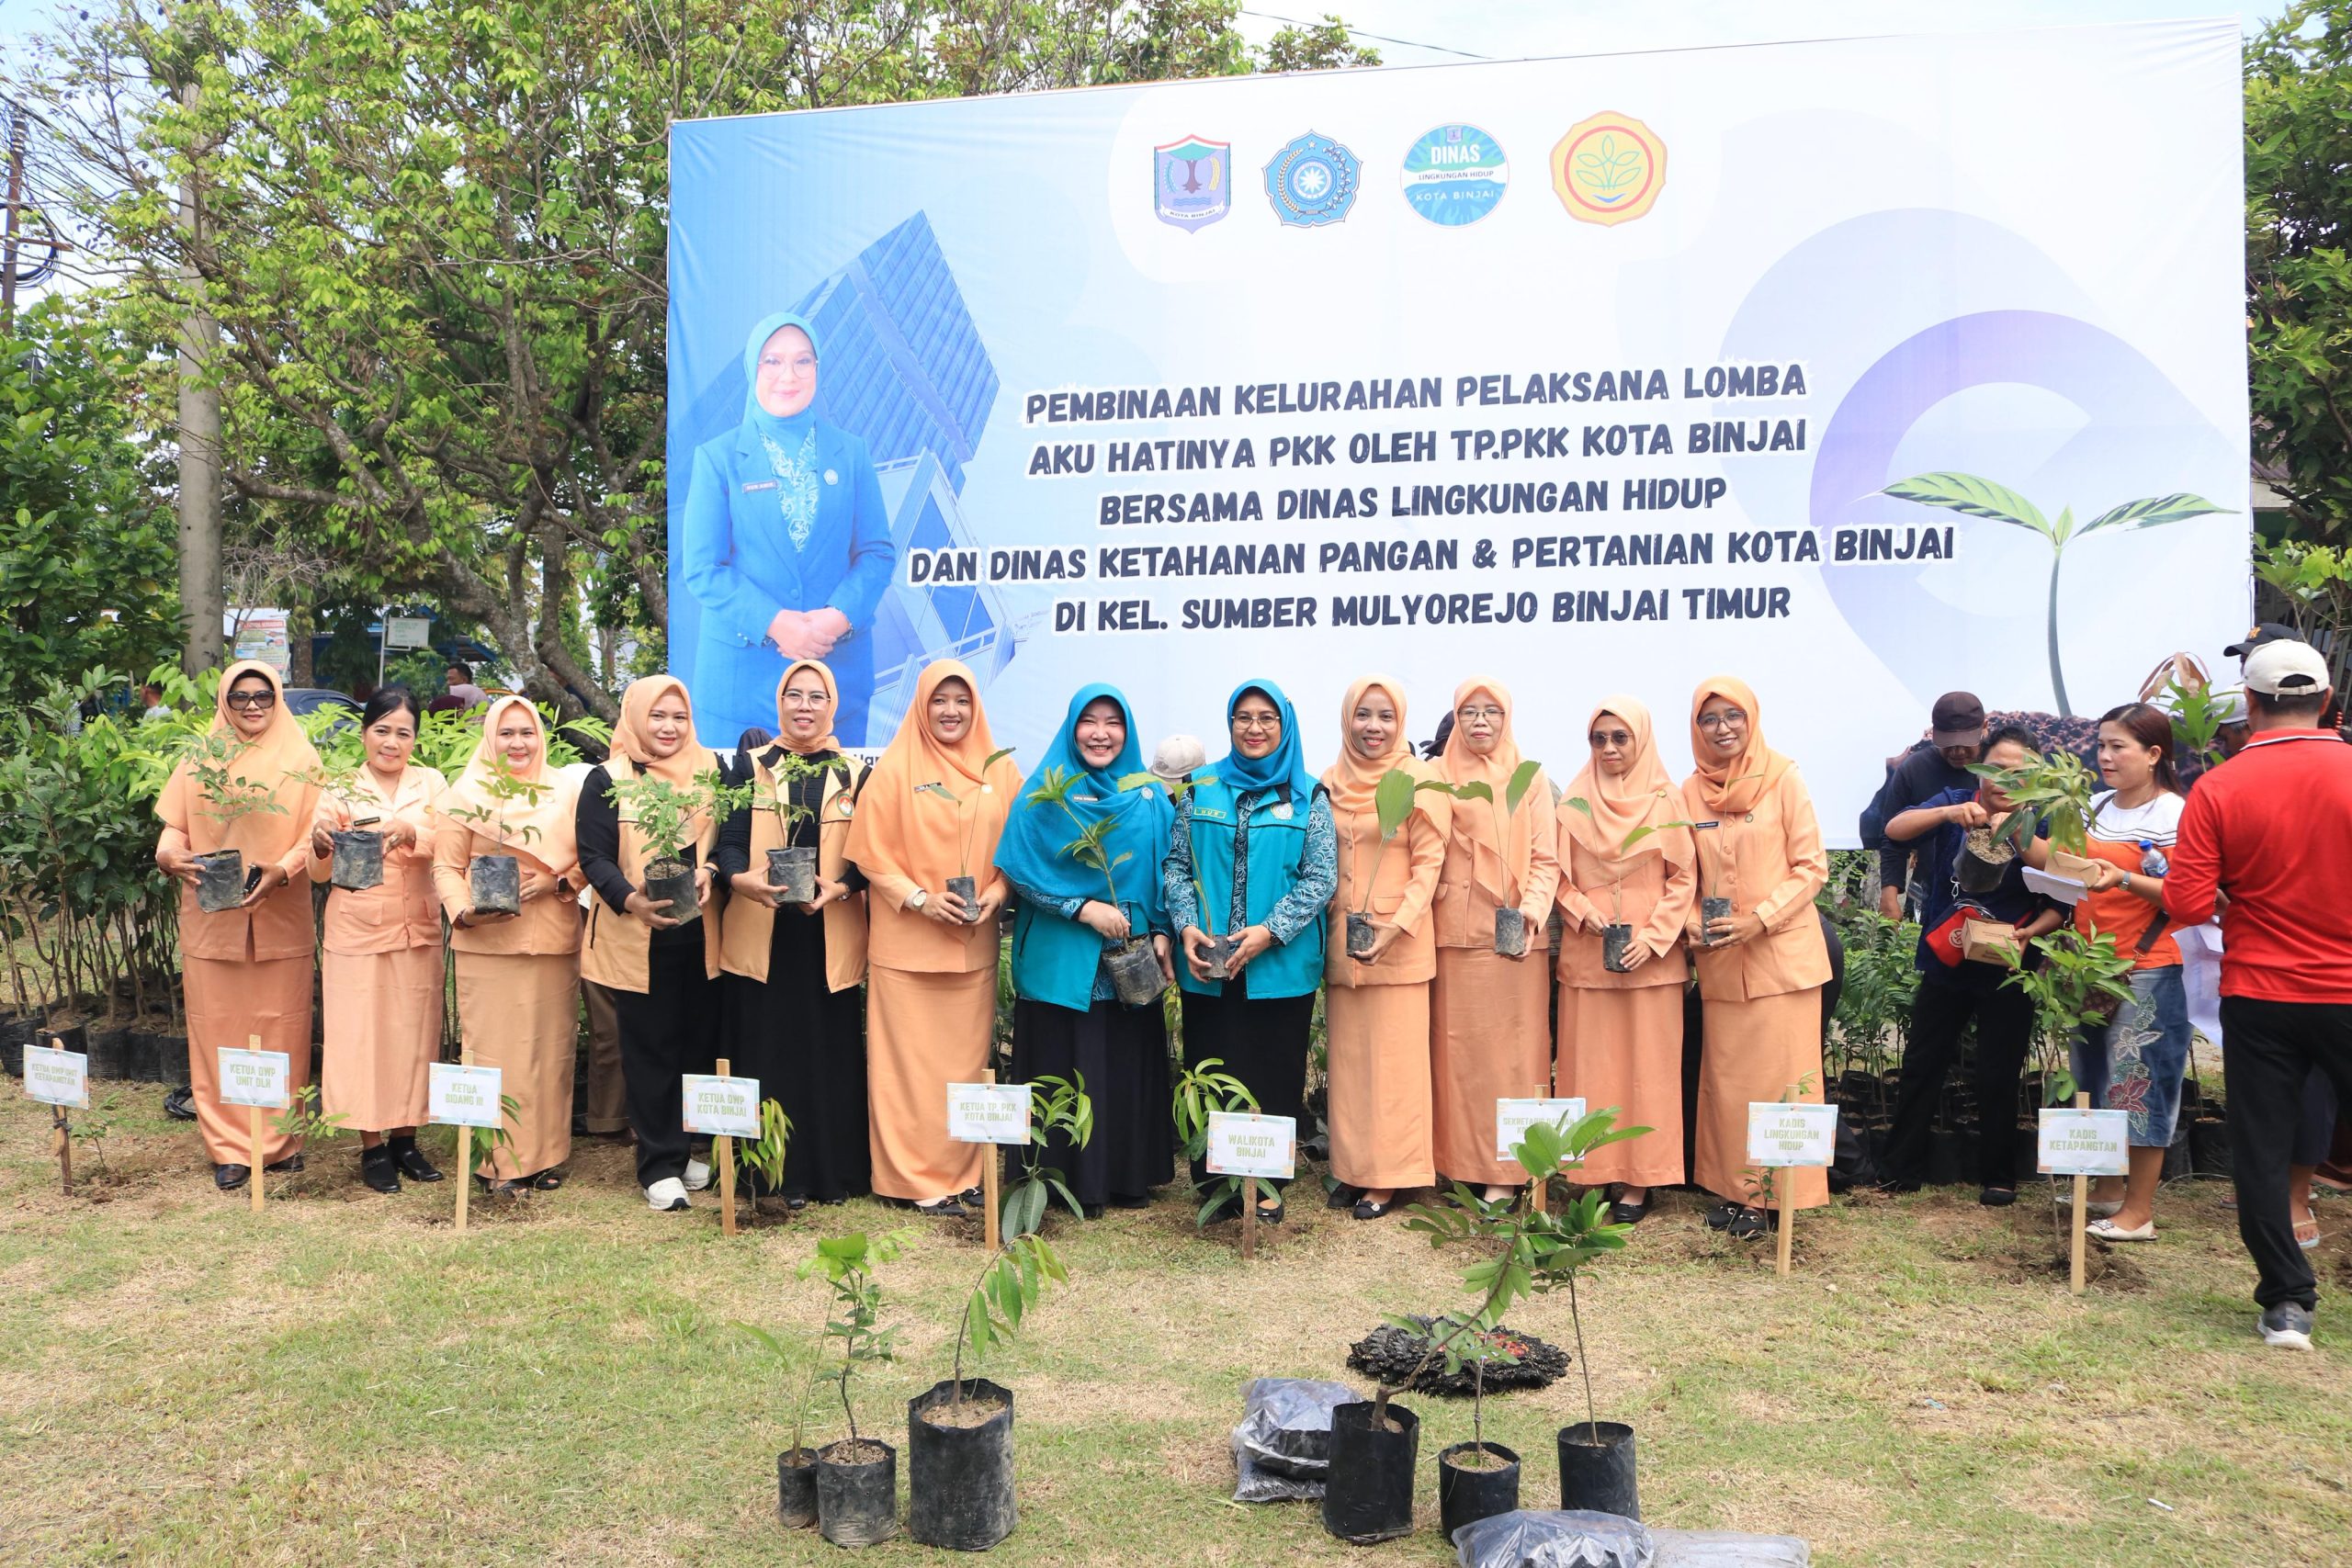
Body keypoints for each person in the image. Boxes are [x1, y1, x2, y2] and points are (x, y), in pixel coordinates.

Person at [2164, 639, 2352, 1349]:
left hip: (2261, 990)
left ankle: (2287, 1302)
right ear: (2326, 701)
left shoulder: (2220, 786)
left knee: (2263, 1148)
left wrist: (2240, 891)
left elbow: (2185, 903)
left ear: (2249, 704)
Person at [844, 660, 1019, 1215]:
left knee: (964, 1068)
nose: (951, 711)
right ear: (921, 706)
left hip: (972, 947)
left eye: (962, 701)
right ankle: (910, 1180)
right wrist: (920, 899)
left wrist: (999, 892)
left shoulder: (1000, 772)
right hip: (906, 950)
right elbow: (869, 855)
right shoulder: (893, 770)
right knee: (906, 1073)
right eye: (939, 700)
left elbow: (1019, 849)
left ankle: (964, 1175)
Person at [999, 685, 1178, 1213]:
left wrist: (1163, 928)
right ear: (1071, 728)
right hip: (1062, 957)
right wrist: (1081, 907)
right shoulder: (1042, 795)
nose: (1101, 734)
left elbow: (1169, 867)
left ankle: (1125, 1177)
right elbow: (1020, 868)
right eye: (1089, 721)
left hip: (1131, 956)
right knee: (1066, 1056)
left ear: (1128, 732)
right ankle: (1060, 1178)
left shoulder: (1148, 795)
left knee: (1121, 1058)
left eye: (1113, 723)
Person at [682, 311, 896, 746]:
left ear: (817, 369)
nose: (788, 375)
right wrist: (776, 623)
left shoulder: (852, 453)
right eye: (773, 361)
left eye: (802, 361)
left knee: (834, 794)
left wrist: (836, 619)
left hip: (836, 683)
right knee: (740, 794)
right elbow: (704, 569)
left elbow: (877, 553)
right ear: (752, 368)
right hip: (740, 690)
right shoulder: (717, 458)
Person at [1166, 680, 1336, 1223]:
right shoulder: (1199, 789)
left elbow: (1320, 878)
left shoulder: (1309, 795)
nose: (1255, 728)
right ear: (1230, 723)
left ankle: (1264, 1186)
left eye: (1267, 718)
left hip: (1279, 967)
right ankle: (1214, 1183)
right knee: (1213, 1068)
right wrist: (1187, 925)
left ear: (1284, 726)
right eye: (1244, 717)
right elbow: (1176, 866)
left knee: (1272, 1072)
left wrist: (1269, 931)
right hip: (1208, 964)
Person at [153, 661, 323, 1190]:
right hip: (214, 915)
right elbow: (174, 829)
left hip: (281, 914)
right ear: (225, 701)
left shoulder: (303, 759)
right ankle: (229, 1147)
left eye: (263, 695)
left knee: (284, 1028)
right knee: (217, 1030)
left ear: (278, 699)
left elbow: (316, 834)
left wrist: (284, 869)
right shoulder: (200, 758)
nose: (252, 705)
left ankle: (282, 1142)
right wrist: (168, 856)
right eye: (241, 696)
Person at [2024, 702, 2188, 1242]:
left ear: (2154, 754)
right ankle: (2106, 1188)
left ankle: (2139, 1211)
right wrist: (2013, 826)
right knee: (2092, 1078)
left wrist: (2123, 878)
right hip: (2087, 964)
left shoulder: (2173, 815)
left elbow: (2189, 896)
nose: (2105, 756)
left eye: (2119, 746)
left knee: (2139, 1084)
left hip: (2147, 966)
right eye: (2101, 745)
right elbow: (2064, 866)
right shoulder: (2092, 806)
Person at [1878, 726, 2064, 1204]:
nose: (2004, 780)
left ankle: (1998, 1175)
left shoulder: (2041, 819)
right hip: (1948, 954)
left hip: (2011, 964)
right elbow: (1894, 828)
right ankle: (1900, 1169)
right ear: (1980, 766)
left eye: (2019, 773)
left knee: (1998, 1072)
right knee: (1922, 1063)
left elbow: (2061, 889)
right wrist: (1948, 813)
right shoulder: (1957, 801)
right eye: (1996, 768)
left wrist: (2029, 932)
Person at [1680, 678, 1832, 1236]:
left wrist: (1760, 919)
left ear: (1752, 719)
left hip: (1781, 957)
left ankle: (1776, 1195)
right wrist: (1691, 921)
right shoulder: (1688, 793)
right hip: (1722, 960)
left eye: (1733, 716)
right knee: (1728, 1082)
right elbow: (1682, 874)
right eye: (1709, 719)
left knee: (1781, 1082)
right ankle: (1733, 1189)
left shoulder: (1784, 777)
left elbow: (1811, 867)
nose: (1722, 728)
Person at [718, 660, 872, 1207]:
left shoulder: (856, 774)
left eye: (816, 696)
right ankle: (767, 1175)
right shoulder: (749, 766)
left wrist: (843, 887)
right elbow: (728, 841)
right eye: (794, 695)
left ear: (832, 706)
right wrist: (739, 880)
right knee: (767, 1050)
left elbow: (870, 857)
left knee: (826, 1052)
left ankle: (831, 1173)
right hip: (762, 932)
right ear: (779, 702)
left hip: (827, 933)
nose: (805, 707)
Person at [576, 677, 725, 1213]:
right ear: (636, 717)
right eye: (657, 716)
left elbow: (731, 838)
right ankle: (658, 1164)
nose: (669, 727)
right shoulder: (608, 779)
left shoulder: (712, 771)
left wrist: (710, 869)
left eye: (679, 717)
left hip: (703, 934)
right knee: (650, 1048)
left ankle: (685, 1150)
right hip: (637, 936)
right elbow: (593, 856)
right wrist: (629, 900)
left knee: (697, 1045)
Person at [431, 697, 586, 1197]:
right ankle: (496, 1162)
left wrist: (557, 881)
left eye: (527, 733)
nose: (518, 744)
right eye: (506, 733)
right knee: (494, 1053)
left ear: (540, 737)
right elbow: (446, 866)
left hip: (552, 939)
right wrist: (465, 911)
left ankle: (544, 1155)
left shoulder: (566, 790)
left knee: (548, 1051)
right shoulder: (465, 793)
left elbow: (591, 856)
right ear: (490, 737)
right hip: (488, 944)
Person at [1555, 697, 1695, 1224]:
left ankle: (1640, 1179)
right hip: (1589, 954)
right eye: (1599, 739)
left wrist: (1655, 938)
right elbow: (1557, 875)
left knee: (1647, 1072)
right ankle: (1590, 1173)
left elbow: (1685, 878)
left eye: (1620, 737)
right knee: (1588, 1069)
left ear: (1642, 739)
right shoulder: (1574, 801)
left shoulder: (1665, 799)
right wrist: (1583, 910)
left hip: (1650, 960)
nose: (1609, 748)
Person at [308, 688, 448, 1194]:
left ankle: (406, 1140)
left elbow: (453, 845)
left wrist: (412, 832)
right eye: (382, 730)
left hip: (417, 929)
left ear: (415, 739)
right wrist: (320, 841)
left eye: (403, 733)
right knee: (361, 1036)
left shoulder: (432, 783)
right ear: (365, 733)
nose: (392, 742)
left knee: (414, 1033)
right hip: (358, 930)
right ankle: (371, 1145)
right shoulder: (340, 787)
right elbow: (318, 870)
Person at [1321, 675, 1451, 1220]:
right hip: (1343, 943)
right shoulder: (1329, 781)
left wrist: (1396, 926)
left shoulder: (1418, 780)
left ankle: (1390, 1177)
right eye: (1363, 715)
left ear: (1401, 723)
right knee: (1351, 1065)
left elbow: (1429, 863)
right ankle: (1353, 1168)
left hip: (1399, 944)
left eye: (1386, 716)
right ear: (1347, 719)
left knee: (1395, 1067)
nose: (1373, 727)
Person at [1430, 678, 1560, 1204]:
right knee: (1457, 1057)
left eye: (1492, 712)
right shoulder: (1435, 776)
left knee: (1514, 1059)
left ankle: (1507, 1172)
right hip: (1453, 939)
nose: (1480, 721)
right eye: (1469, 712)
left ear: (1507, 719)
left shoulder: (1529, 777)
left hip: (1515, 942)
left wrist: (1531, 911)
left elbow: (1547, 859)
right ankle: (1459, 1164)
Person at [1860, 692, 1985, 920]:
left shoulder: (1998, 769)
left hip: (1992, 896)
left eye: (1966, 743)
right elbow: (1892, 836)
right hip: (1932, 891)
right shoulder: (1915, 769)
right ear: (1934, 733)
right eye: (1948, 744)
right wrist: (1889, 895)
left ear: (1984, 728)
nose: (1957, 751)